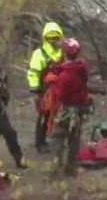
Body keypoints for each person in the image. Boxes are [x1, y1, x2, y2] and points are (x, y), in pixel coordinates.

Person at [40, 37, 98, 172]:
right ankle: (72, 167)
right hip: (80, 107)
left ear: (65, 53)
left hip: (68, 109)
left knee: (57, 136)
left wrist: (52, 81)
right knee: (74, 138)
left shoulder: (66, 77)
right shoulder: (81, 65)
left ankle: (56, 165)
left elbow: (61, 94)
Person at [25, 22, 66, 153]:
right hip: (44, 91)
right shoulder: (39, 53)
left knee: (61, 115)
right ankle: (40, 142)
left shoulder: (63, 53)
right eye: (51, 38)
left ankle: (57, 138)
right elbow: (33, 72)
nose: (54, 40)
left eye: (56, 38)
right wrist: (35, 88)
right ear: (45, 38)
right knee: (44, 115)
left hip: (60, 90)